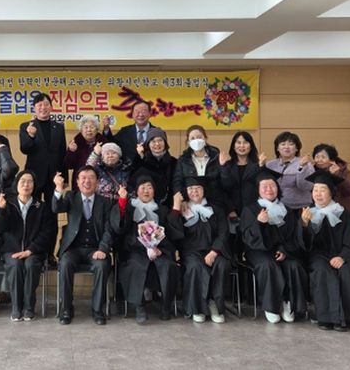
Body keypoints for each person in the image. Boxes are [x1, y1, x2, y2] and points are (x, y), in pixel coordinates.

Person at [301, 171, 350, 331]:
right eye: (315, 190)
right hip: (319, 257)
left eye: (322, 190)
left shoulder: (344, 214)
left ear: (331, 192)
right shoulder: (308, 213)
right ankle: (325, 318)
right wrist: (304, 225)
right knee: (321, 270)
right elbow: (305, 245)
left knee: (346, 271)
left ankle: (347, 319)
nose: (318, 194)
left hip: (344, 255)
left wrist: (343, 257)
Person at [240, 168, 308, 324]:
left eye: (272, 185)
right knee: (268, 265)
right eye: (264, 186)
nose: (269, 189)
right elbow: (247, 238)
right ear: (258, 190)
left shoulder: (287, 210)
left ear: (278, 188)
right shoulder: (250, 210)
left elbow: (292, 236)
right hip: (258, 251)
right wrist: (259, 223)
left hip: (283, 250)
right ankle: (272, 307)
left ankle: (289, 303)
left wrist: (284, 251)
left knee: (293, 265)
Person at [52, 166, 114, 325]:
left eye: (91, 177)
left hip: (96, 249)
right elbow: (56, 208)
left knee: (102, 265)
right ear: (78, 182)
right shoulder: (70, 197)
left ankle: (98, 310)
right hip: (73, 249)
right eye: (83, 178)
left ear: (97, 182)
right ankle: (66, 309)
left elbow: (109, 229)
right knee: (65, 263)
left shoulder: (105, 202)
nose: (87, 181)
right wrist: (58, 188)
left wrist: (103, 249)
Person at [0, 171, 56, 322]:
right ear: (16, 185)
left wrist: (30, 250)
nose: (26, 185)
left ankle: (29, 306)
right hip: (11, 251)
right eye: (22, 181)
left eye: (30, 181)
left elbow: (48, 233)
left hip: (34, 251)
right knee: (15, 265)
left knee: (31, 264)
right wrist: (1, 210)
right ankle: (16, 307)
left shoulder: (41, 206)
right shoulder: (7, 204)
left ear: (34, 185)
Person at [113, 177, 178, 324]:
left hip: (159, 250)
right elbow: (122, 230)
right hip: (135, 250)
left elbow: (170, 234)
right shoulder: (130, 208)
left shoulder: (162, 210)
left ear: (154, 191)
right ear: (136, 191)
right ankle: (139, 306)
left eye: (149, 187)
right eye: (142, 187)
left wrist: (159, 250)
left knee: (168, 266)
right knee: (136, 266)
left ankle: (166, 305)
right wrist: (142, 244)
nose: (146, 191)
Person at [169, 177, 231, 324]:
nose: (194, 191)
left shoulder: (216, 209)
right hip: (191, 252)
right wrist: (176, 208)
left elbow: (223, 233)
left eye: (198, 188)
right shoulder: (183, 209)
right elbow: (173, 232)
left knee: (222, 265)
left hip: (215, 250)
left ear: (204, 190)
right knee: (195, 267)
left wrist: (214, 251)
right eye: (190, 189)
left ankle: (215, 304)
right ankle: (197, 308)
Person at [220, 131, 265, 259]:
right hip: (231, 212)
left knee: (251, 244)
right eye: (238, 142)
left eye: (245, 142)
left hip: (252, 212)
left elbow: (262, 189)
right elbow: (223, 189)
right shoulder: (227, 165)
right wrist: (230, 209)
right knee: (233, 247)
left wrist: (261, 167)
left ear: (251, 145)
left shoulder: (257, 165)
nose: (242, 146)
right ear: (233, 146)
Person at [19, 92, 66, 202]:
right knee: (34, 205)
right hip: (35, 174)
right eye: (39, 105)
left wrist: (64, 177)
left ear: (51, 107)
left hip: (54, 175)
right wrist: (31, 136)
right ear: (34, 108)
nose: (43, 107)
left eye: (46, 104)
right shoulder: (26, 126)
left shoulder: (59, 127)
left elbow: (62, 152)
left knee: (53, 207)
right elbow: (24, 149)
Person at [172, 125, 225, 209]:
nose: (196, 140)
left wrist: (223, 167)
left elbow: (225, 183)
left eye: (199, 137)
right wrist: (182, 200)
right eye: (192, 138)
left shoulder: (216, 157)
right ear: (188, 142)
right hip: (190, 204)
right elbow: (177, 183)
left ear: (205, 139)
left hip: (215, 202)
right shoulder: (183, 160)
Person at [128, 128, 177, 207]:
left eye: (160, 140)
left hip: (168, 205)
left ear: (165, 143)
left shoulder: (173, 162)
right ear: (148, 144)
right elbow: (132, 183)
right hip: (143, 206)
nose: (157, 144)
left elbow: (176, 185)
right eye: (153, 141)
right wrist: (140, 157)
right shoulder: (141, 161)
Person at [266, 131, 314, 210]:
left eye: (291, 144)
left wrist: (302, 167)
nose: (287, 147)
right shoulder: (270, 165)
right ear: (277, 148)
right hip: (276, 207)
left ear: (297, 148)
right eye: (283, 144)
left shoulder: (306, 164)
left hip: (301, 208)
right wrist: (261, 166)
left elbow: (306, 187)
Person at [64, 115, 108, 189]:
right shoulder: (75, 143)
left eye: (92, 127)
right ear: (81, 130)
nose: (89, 130)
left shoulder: (103, 143)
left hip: (100, 182)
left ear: (97, 129)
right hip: (80, 182)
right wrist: (71, 151)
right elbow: (69, 165)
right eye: (86, 127)